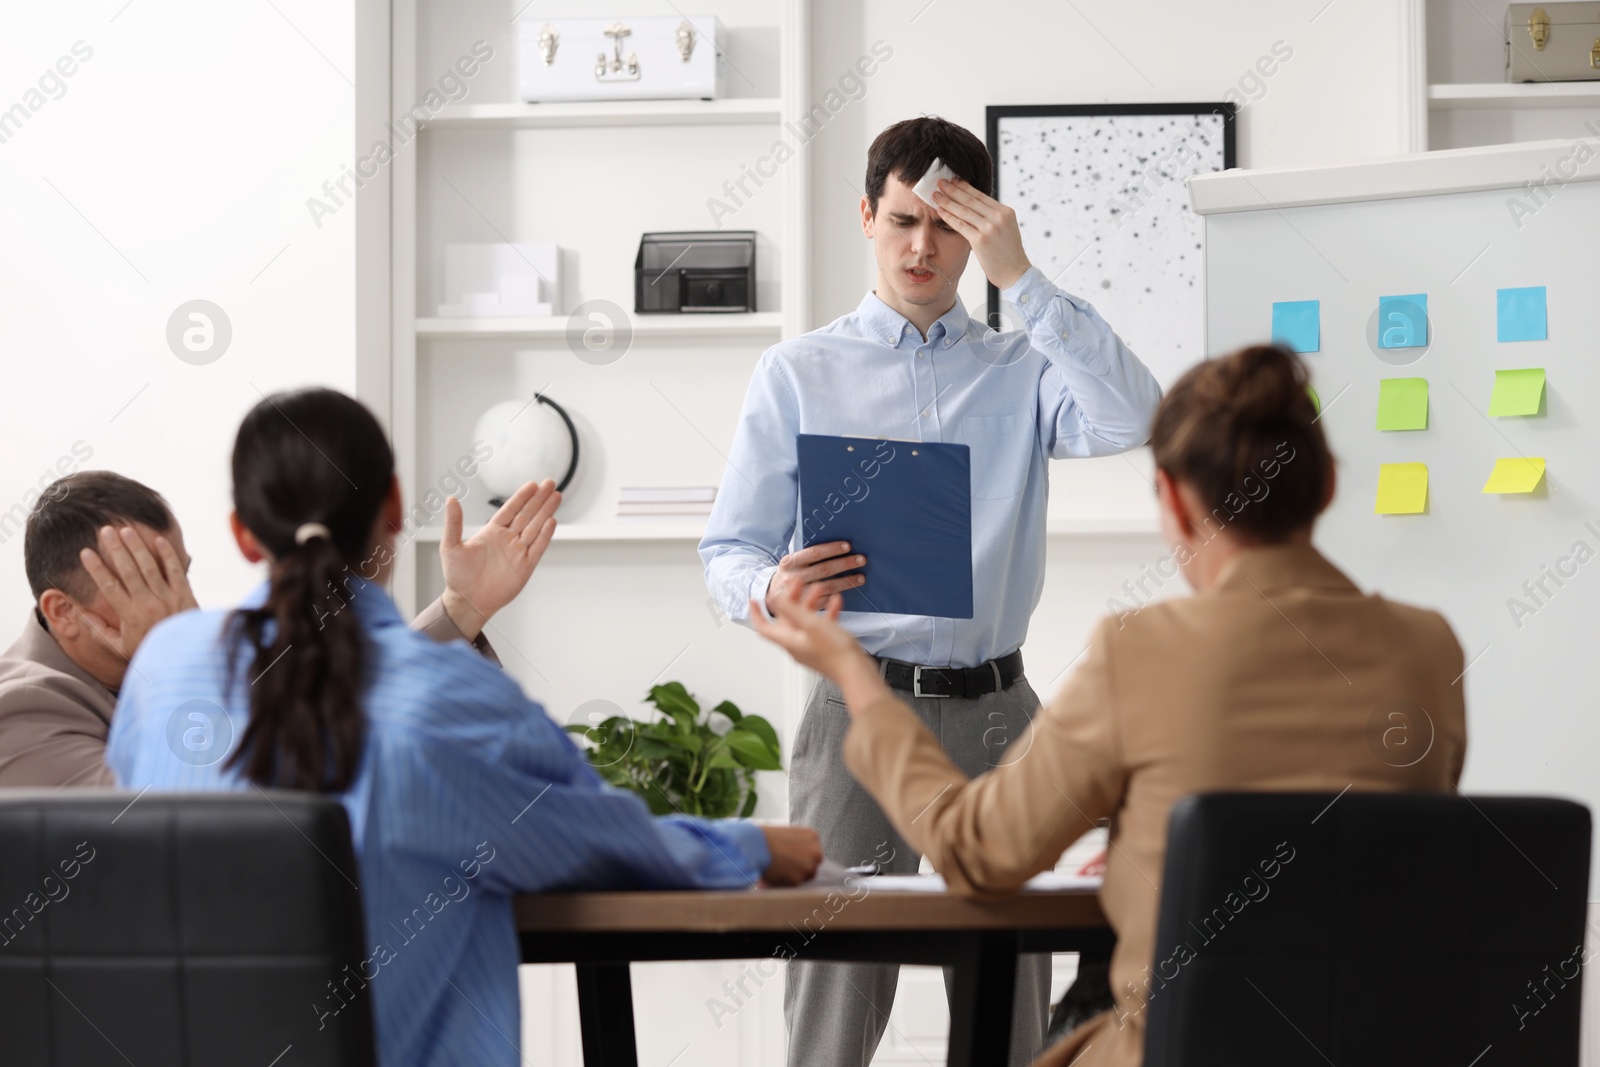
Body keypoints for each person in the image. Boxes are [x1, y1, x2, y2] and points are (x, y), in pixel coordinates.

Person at [748, 345, 1468, 1067]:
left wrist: (856, 675)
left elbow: (976, 851)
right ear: (1329, 484)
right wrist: (1154, 863)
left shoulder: (1142, 651)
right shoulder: (1428, 650)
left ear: (1175, 499)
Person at [105, 387, 823, 1067]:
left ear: (242, 534)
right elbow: (608, 842)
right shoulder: (452, 699)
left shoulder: (164, 666)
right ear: (393, 506)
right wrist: (751, 844)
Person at [699, 115, 1162, 1066]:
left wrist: (1021, 279)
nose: (922, 246)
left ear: (979, 230)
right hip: (856, 711)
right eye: (904, 219)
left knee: (1012, 1001)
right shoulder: (796, 373)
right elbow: (727, 551)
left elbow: (1137, 415)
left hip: (1001, 715)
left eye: (947, 226)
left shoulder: (1025, 368)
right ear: (867, 216)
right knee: (832, 1002)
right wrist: (770, 589)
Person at [0, 466, 553, 786]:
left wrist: (462, 608)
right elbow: (171, 831)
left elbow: (337, 705)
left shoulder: (183, 661)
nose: (184, 604)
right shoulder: (21, 711)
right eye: (146, 583)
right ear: (62, 612)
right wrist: (173, 661)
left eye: (181, 573)